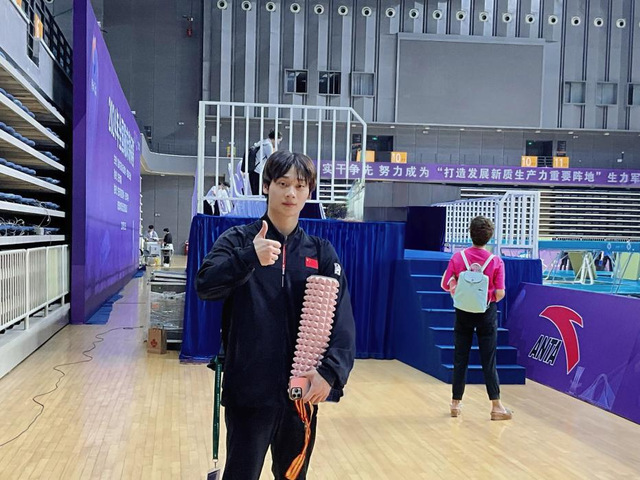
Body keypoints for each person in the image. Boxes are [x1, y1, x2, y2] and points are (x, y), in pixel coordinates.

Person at [196, 151, 356, 480]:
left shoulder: (321, 252)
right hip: (248, 392)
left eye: (300, 185)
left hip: (300, 394)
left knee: (293, 476)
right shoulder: (238, 240)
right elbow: (205, 285)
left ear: (309, 191)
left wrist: (330, 372)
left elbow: (342, 319)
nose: (291, 193)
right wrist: (247, 257)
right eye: (283, 184)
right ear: (267, 186)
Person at [440, 216, 512, 421]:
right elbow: (500, 293)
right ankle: (496, 406)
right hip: (486, 313)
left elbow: (445, 284)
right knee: (488, 360)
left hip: (463, 312)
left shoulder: (458, 258)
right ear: (490, 237)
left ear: (470, 233)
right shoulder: (496, 261)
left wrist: (460, 291)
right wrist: (486, 297)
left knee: (460, 357)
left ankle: (455, 403)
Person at [248, 129, 283, 196]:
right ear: (275, 139)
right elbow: (271, 159)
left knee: (255, 193)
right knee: (260, 194)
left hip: (254, 171)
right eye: (279, 141)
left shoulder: (263, 142)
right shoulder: (268, 145)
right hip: (258, 171)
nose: (278, 143)